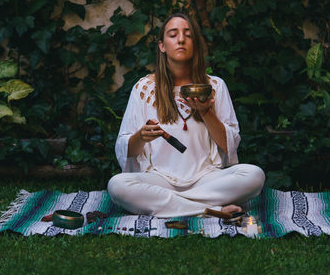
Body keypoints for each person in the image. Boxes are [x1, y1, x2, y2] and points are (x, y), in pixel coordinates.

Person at [107, 13, 265, 218]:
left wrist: (205, 112)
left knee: (254, 175)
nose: (181, 39)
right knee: (117, 185)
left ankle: (173, 205)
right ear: (162, 45)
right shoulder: (144, 89)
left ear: (195, 44)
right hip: (160, 179)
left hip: (206, 179)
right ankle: (210, 209)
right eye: (173, 34)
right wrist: (141, 136)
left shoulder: (215, 86)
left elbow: (229, 145)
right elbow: (124, 148)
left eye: (187, 35)